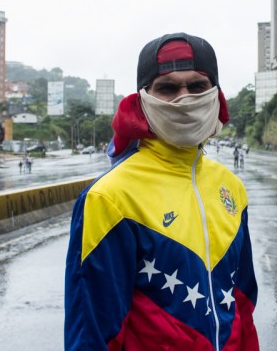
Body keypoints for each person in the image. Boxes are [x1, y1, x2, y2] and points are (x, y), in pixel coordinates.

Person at [65, 32, 259, 350]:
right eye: (167, 88)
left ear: (216, 95)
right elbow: (93, 335)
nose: (184, 98)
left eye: (197, 86)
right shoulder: (109, 198)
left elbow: (243, 303)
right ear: (144, 100)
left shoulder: (231, 187)